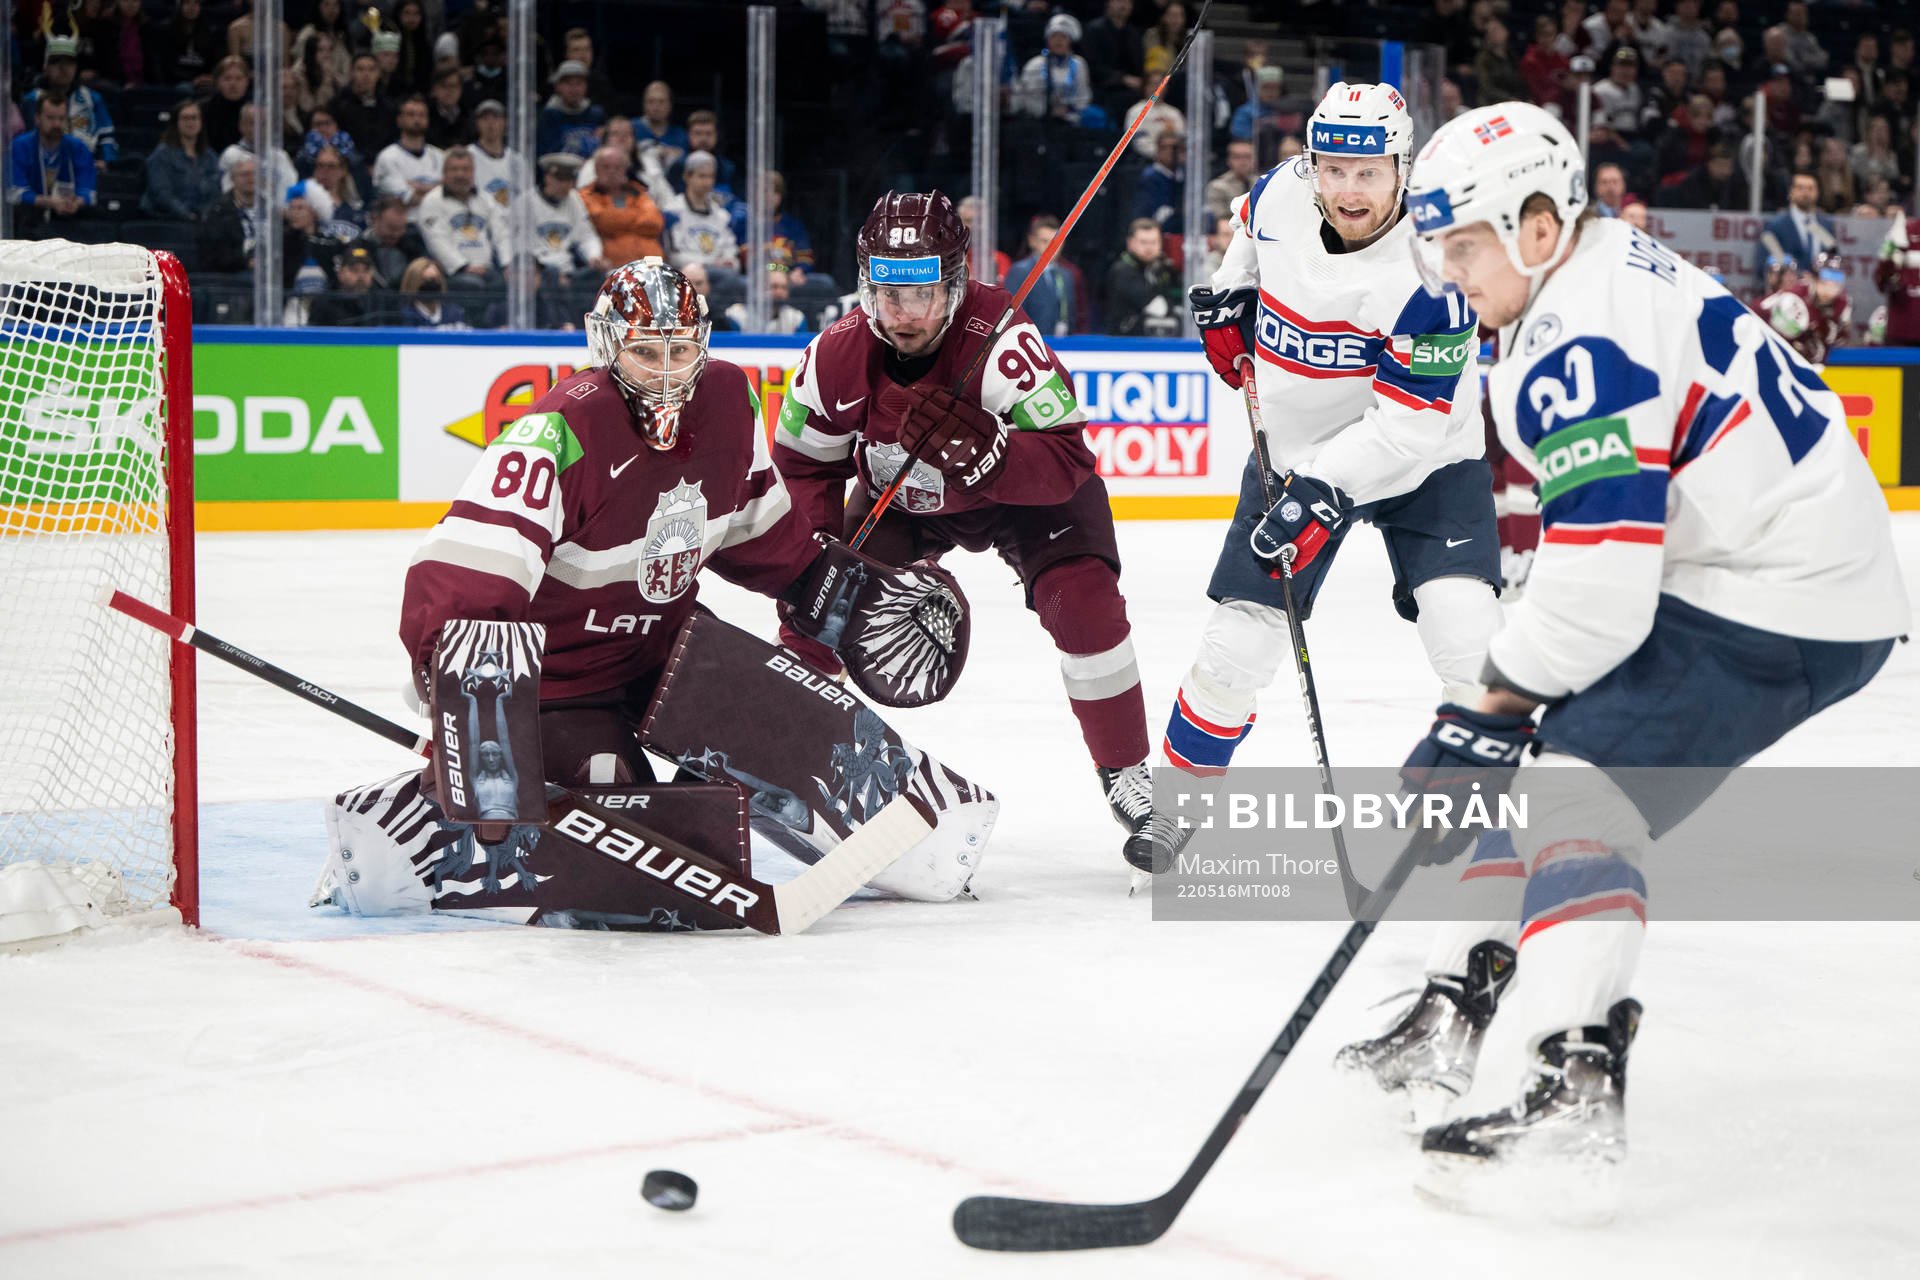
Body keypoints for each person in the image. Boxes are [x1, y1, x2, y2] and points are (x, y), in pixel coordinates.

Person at [1379, 100, 1906, 1201]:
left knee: (1577, 795)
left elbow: (1599, 595)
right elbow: (1594, 565)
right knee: (1538, 765)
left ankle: (1573, 1081)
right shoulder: (1591, 267)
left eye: (1463, 245)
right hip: (1756, 562)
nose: (1448, 273)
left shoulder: (1579, 339)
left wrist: (1486, 703)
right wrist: (1499, 705)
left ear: (1534, 226)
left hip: (1784, 592)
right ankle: (1455, 997)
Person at [768, 191, 1162, 874]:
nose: (905, 316)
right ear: (866, 286)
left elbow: (1070, 458)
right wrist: (817, 550)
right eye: (889, 295)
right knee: (821, 604)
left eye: (923, 295)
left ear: (954, 284)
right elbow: (803, 462)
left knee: (1086, 606)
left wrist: (996, 458)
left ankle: (1128, 775)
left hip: (1027, 500)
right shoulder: (835, 356)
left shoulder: (1002, 340)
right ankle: (776, 751)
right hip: (907, 499)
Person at [1165, 82, 1498, 843]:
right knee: (1235, 645)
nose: (1348, 189)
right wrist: (1232, 298)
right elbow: (1247, 237)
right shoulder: (1281, 193)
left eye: (1369, 171)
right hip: (1295, 448)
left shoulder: (1441, 269)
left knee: (1467, 636)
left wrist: (1321, 491)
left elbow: (1408, 429)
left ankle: (1489, 826)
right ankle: (1177, 810)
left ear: (1402, 170)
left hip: (1427, 465)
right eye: (1333, 169)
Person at [400, 259, 866, 786]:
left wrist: (838, 597)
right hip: (559, 677)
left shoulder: (729, 400)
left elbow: (764, 537)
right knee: (615, 793)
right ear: (607, 347)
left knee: (756, 750)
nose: (666, 372)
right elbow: (470, 570)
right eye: (644, 351)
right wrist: (461, 701)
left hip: (669, 653)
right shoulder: (564, 427)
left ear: (703, 345)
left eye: (681, 350)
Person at [513, 153, 607, 286]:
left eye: (569, 181)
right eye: (560, 180)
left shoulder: (573, 199)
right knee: (551, 275)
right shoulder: (526, 202)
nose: (566, 186)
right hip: (541, 271)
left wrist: (594, 256)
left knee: (598, 276)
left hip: (569, 270)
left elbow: (586, 235)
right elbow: (523, 246)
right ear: (547, 178)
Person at [419, 147, 504, 289]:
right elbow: (437, 241)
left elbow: (501, 234)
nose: (460, 174)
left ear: (473, 173)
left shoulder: (486, 199)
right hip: (450, 272)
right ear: (444, 173)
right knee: (473, 285)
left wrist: (507, 265)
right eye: (454, 169)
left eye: (466, 169)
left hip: (486, 269)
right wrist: (463, 266)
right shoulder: (432, 201)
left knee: (508, 285)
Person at [24, 37, 117, 168]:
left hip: (86, 170)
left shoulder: (93, 98)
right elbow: (26, 141)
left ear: (76, 66)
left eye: (69, 62)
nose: (63, 68)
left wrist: (105, 161)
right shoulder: (32, 99)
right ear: (46, 66)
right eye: (56, 62)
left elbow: (107, 136)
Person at [8, 95, 97, 230]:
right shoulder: (19, 146)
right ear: (37, 118)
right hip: (29, 220)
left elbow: (89, 192)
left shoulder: (79, 148)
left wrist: (76, 203)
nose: (56, 124)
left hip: (70, 220)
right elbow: (14, 192)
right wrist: (49, 202)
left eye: (61, 119)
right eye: (50, 118)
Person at [1759, 250, 1852, 363]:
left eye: (1837, 282)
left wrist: (1828, 337)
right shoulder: (1794, 296)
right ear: (1812, 278)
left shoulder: (1843, 304)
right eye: (1826, 280)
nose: (1831, 288)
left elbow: (1841, 340)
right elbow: (1760, 310)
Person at [581, 146, 665, 265]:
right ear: (596, 169)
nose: (611, 171)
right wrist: (636, 216)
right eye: (606, 167)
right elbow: (604, 221)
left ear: (625, 169)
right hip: (614, 269)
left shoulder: (640, 192)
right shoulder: (586, 195)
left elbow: (655, 222)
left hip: (652, 265)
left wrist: (619, 221)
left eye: (618, 167)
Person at [660, 152, 738, 276]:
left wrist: (728, 262)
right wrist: (708, 264)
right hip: (685, 275)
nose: (707, 182)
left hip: (720, 275)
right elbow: (674, 257)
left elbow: (731, 254)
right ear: (687, 176)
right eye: (702, 176)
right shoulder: (672, 212)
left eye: (710, 177)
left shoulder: (722, 216)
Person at [142, 99, 221, 221]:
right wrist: (187, 215)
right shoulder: (162, 155)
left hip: (203, 221)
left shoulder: (210, 156)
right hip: (167, 221)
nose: (190, 122)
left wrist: (204, 215)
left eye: (194, 118)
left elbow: (215, 190)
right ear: (176, 122)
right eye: (185, 118)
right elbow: (161, 194)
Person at [1756, 171, 1835, 288]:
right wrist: (1798, 278)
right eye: (1800, 188)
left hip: (1819, 293)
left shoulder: (1825, 225)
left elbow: (1833, 258)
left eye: (1811, 188)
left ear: (1817, 192)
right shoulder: (1775, 225)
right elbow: (1765, 263)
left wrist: (1819, 280)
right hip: (1786, 291)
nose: (1806, 193)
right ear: (1791, 192)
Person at [1104, 218, 1181, 337]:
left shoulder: (1162, 270)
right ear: (1130, 243)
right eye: (1143, 242)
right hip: (1122, 345)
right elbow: (1158, 308)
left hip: (1155, 344)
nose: (1149, 248)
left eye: (1154, 242)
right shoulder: (1122, 271)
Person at [374, 95, 445, 218]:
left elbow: (451, 193)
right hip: (406, 226)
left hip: (438, 222)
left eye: (422, 115)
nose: (417, 119)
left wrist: (416, 186)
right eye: (411, 114)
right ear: (400, 120)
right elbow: (406, 199)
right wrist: (435, 188)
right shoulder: (388, 157)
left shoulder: (439, 156)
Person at [1015, 14, 1092, 122]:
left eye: (1063, 37)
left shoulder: (1079, 64)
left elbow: (1083, 95)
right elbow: (1026, 98)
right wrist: (1050, 111)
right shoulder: (1035, 64)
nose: (1058, 41)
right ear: (1048, 40)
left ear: (1070, 41)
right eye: (1054, 36)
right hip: (1040, 119)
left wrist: (1070, 109)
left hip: (1072, 117)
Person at [538, 60, 606, 159]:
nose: (574, 89)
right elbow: (548, 154)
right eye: (568, 83)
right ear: (558, 86)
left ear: (586, 86)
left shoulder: (597, 115)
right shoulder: (548, 117)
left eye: (579, 83)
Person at [468, 99, 527, 210]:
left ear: (505, 122)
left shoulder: (517, 160)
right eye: (485, 119)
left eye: (496, 118)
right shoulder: (468, 156)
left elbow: (526, 197)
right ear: (477, 124)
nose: (490, 123)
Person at [311, 243, 381, 326]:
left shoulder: (383, 301)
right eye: (354, 270)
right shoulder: (324, 303)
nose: (361, 276)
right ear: (340, 274)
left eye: (366, 270)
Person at [724, 265, 808, 334]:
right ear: (758, 288)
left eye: (784, 287)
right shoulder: (737, 315)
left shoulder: (796, 318)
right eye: (773, 287)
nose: (779, 292)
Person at [1206, 138, 1256, 224]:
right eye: (1237, 157)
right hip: (1230, 232)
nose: (1243, 162)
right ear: (1229, 160)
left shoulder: (1262, 183)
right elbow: (1220, 218)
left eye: (1247, 157)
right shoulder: (1217, 186)